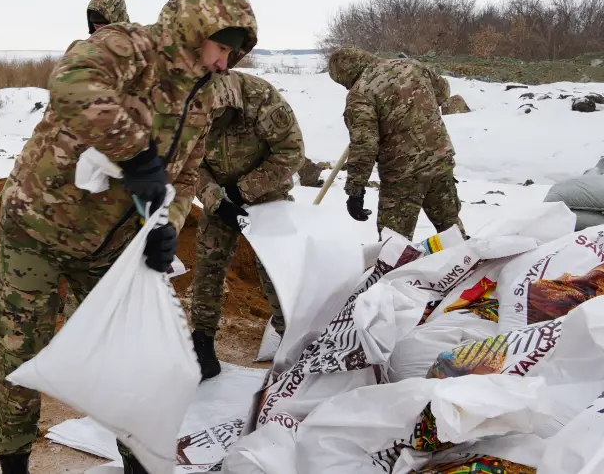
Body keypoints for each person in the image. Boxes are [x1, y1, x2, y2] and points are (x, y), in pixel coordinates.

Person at [0, 0, 258, 474]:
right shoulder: (130, 48)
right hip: (38, 229)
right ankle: (14, 463)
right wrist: (136, 154)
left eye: (232, 53)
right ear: (195, 29)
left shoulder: (201, 100)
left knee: (134, 360)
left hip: (111, 245)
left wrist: (167, 226)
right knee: (21, 354)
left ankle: (138, 461)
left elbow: (186, 177)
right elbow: (71, 84)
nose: (224, 61)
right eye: (221, 46)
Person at [189, 70, 305, 380]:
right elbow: (188, 165)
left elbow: (292, 153)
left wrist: (242, 191)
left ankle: (293, 347)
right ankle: (202, 347)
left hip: (266, 194)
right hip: (219, 197)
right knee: (208, 268)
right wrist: (216, 201)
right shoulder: (187, 104)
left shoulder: (262, 98)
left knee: (276, 270)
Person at [328, 45, 464, 241]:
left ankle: (396, 271)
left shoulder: (360, 93)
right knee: (451, 229)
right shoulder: (412, 66)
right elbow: (442, 91)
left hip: (403, 175)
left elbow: (364, 145)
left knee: (394, 243)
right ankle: (467, 265)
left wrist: (355, 191)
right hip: (440, 159)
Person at [63, 0, 130, 56]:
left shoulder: (135, 46)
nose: (98, 28)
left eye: (103, 22)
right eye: (95, 23)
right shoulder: (82, 49)